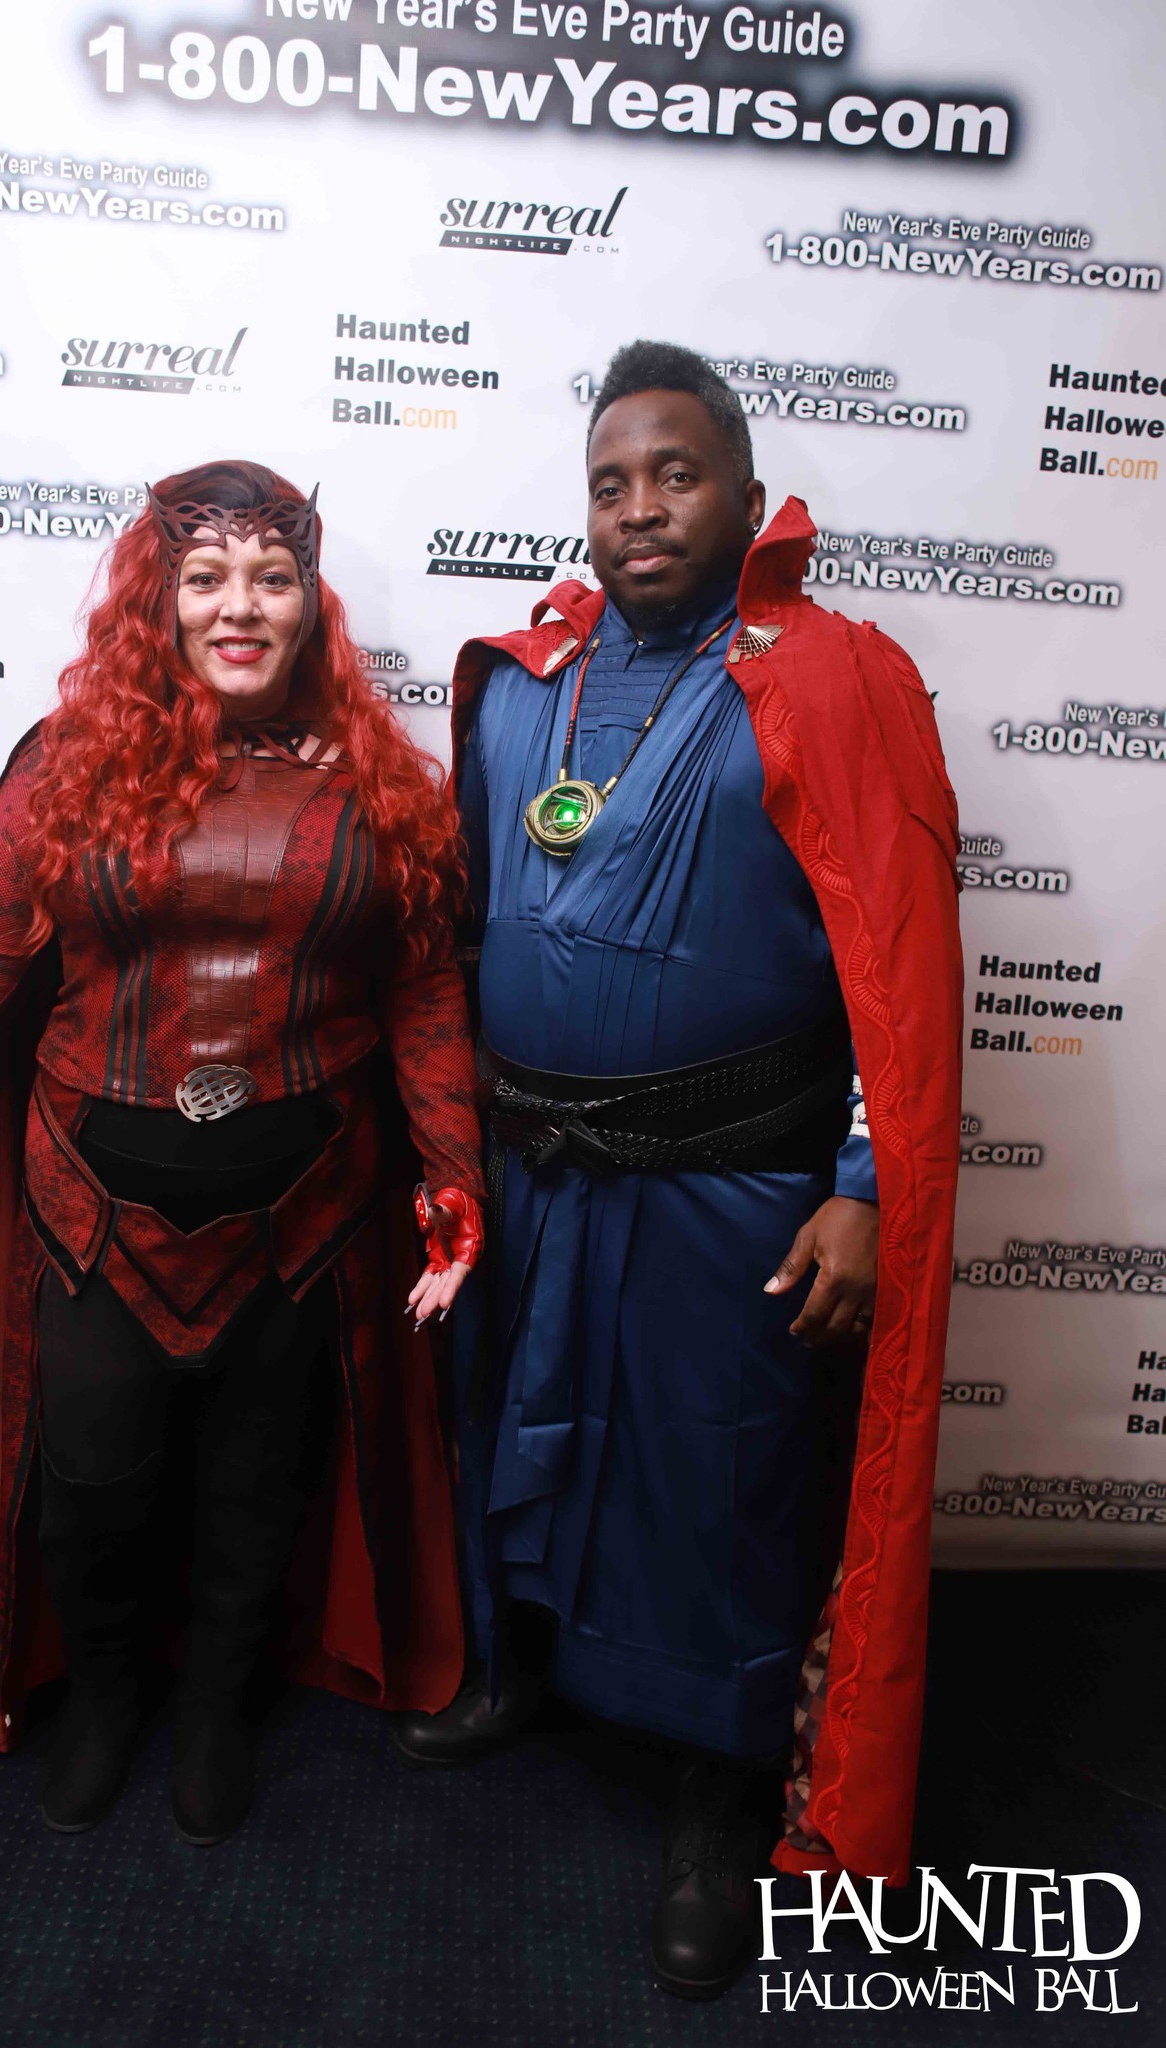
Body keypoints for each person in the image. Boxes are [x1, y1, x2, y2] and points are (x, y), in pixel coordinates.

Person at [0, 460, 484, 1846]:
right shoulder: (66, 763)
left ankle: (221, 1710)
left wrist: (453, 1175)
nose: (241, 606)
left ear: (310, 602)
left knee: (256, 1490)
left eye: (273, 577)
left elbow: (420, 994)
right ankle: (107, 1698)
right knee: (92, 1485)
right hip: (91, 1206)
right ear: (158, 599)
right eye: (206, 575)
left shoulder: (376, 783)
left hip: (301, 1209)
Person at [393, 344, 962, 1997]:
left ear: (745, 493)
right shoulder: (521, 684)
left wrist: (864, 1179)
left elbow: (897, 971)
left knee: (720, 1485)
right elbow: (462, 942)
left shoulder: (835, 679)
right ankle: (521, 1675)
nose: (638, 508)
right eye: (610, 483)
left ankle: (721, 1793)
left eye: (674, 474)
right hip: (535, 1177)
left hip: (736, 1190)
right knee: (521, 1434)